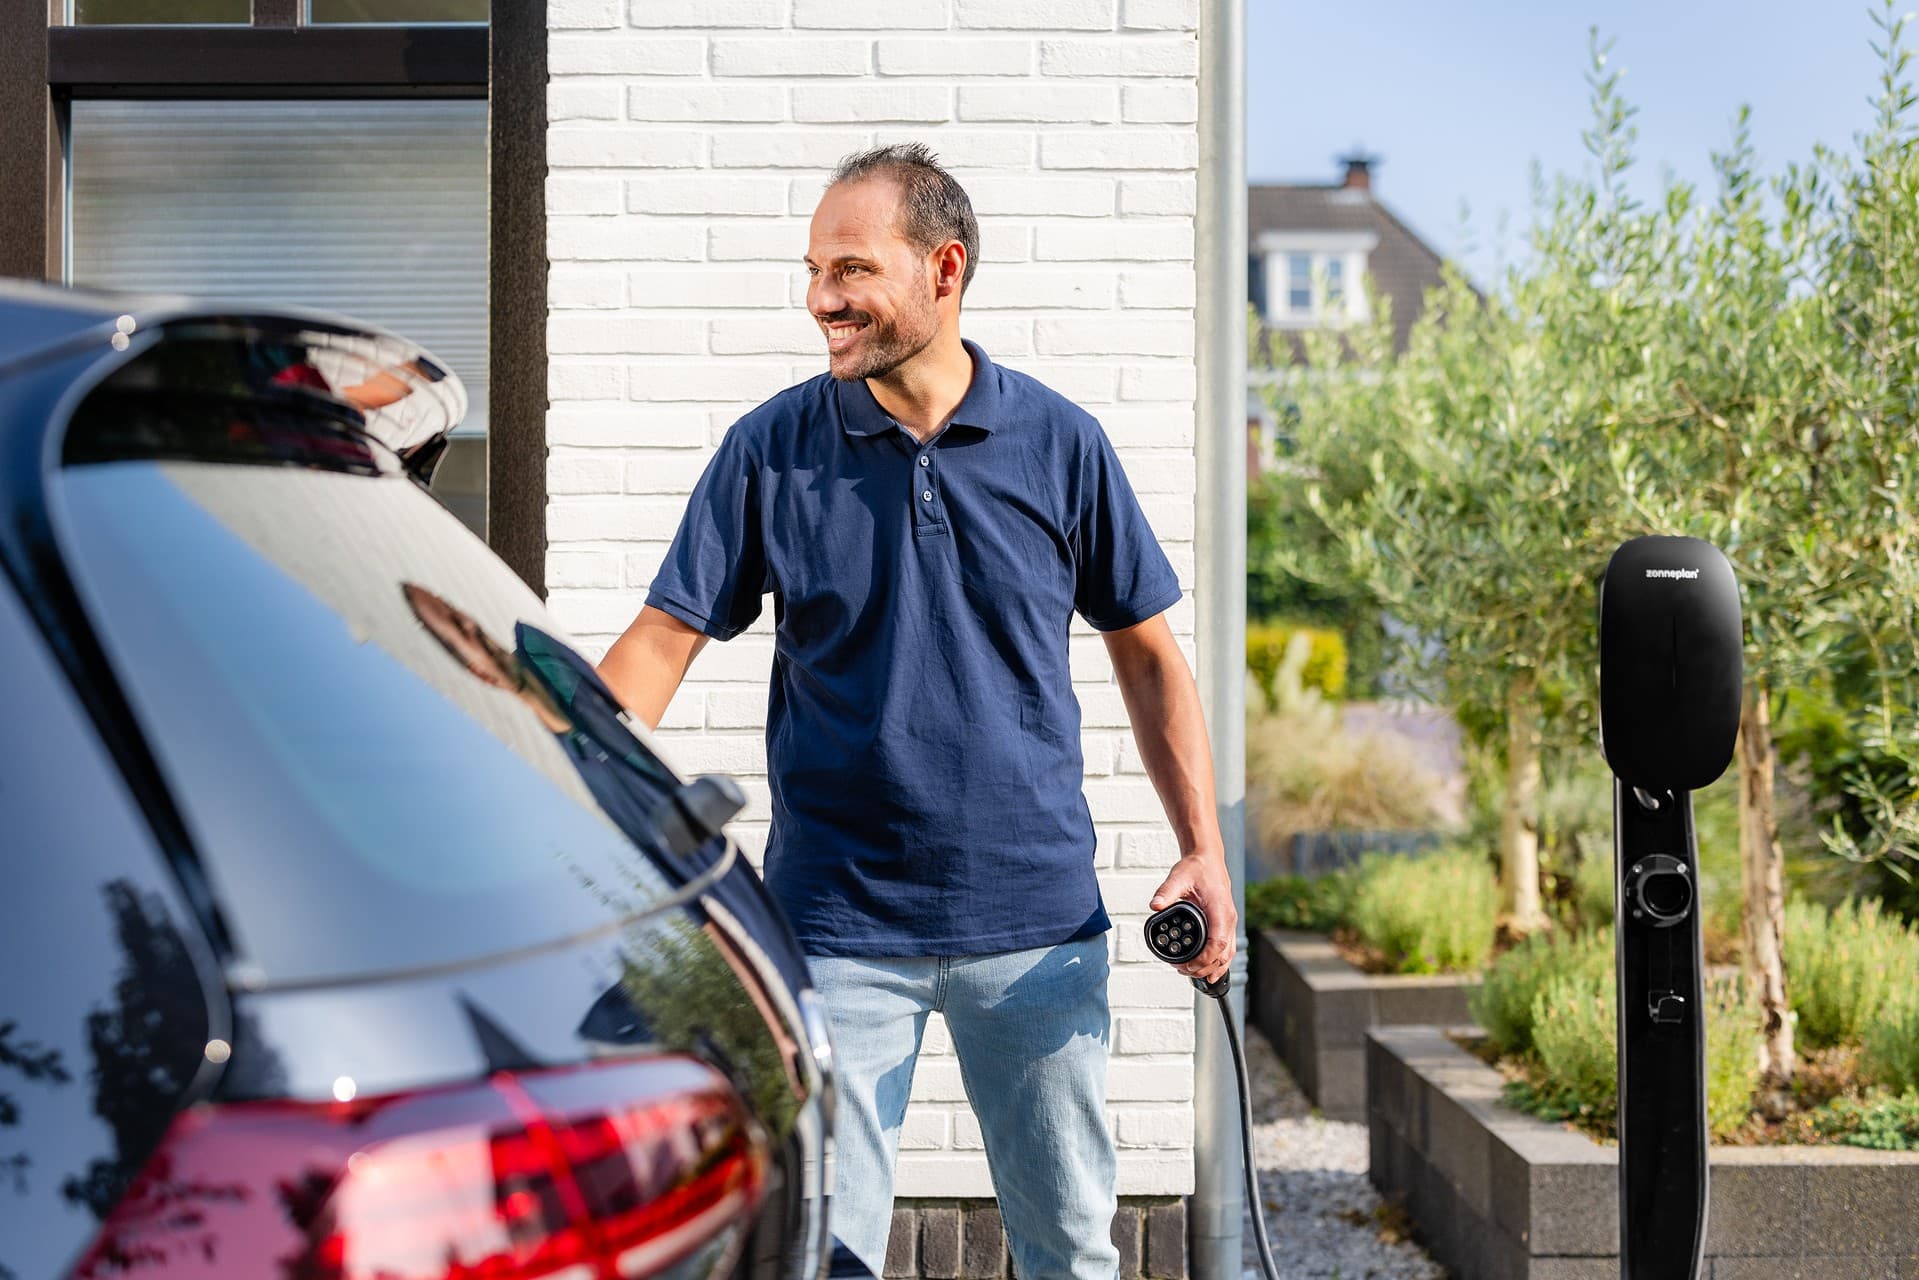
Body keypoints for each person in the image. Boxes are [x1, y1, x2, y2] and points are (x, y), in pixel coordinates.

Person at [597, 143, 1234, 1280]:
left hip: (1035, 925)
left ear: (943, 270)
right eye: (810, 269)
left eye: (849, 269)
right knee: (819, 1252)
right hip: (836, 926)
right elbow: (661, 640)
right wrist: (550, 780)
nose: (818, 300)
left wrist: (1201, 847)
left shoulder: (1058, 442)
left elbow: (1146, 655)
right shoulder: (771, 450)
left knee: (1069, 1251)